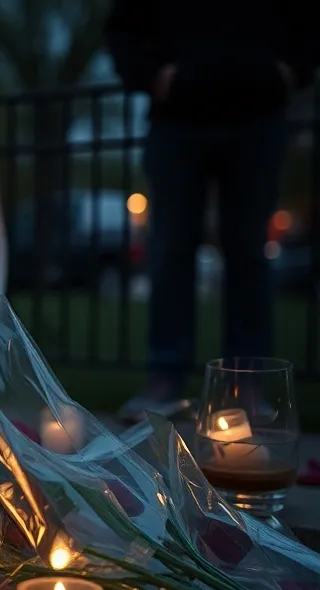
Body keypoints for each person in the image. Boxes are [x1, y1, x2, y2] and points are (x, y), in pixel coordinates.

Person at [106, 0, 316, 420]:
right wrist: (152, 76)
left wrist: (289, 72)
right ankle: (165, 379)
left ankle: (246, 384)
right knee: (170, 249)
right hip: (177, 118)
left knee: (249, 254)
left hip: (258, 114)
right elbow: (123, 25)